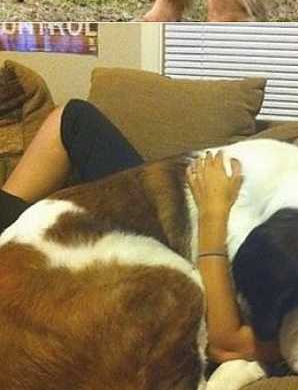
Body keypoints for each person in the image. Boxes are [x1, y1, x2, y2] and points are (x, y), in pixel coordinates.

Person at [0, 107, 269, 366]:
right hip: (157, 245)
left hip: (161, 263)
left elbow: (227, 343)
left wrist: (213, 214)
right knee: (73, 117)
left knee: (73, 118)